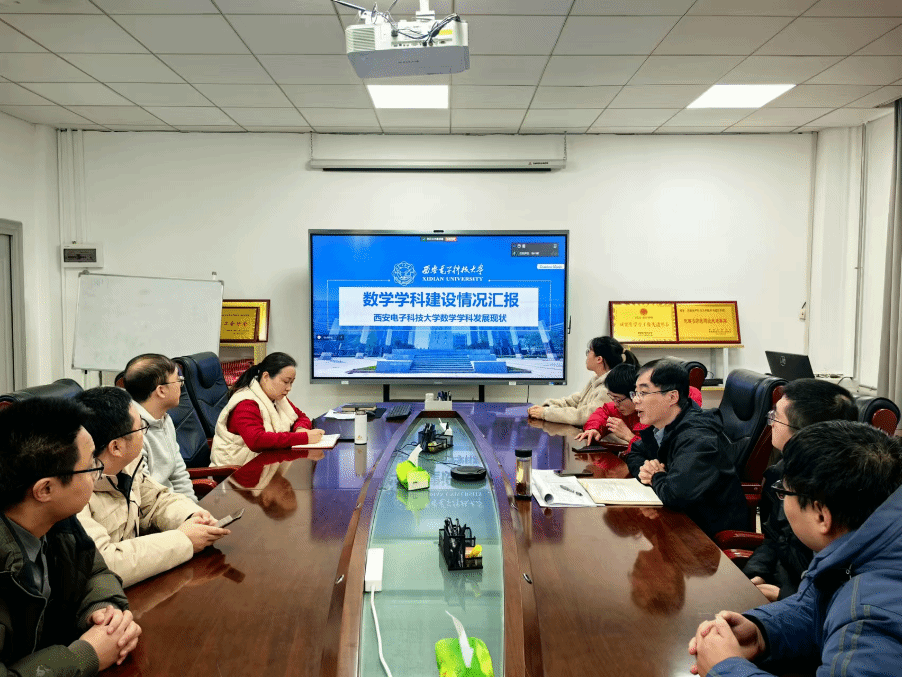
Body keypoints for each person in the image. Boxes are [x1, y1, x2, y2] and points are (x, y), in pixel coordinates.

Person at [688, 421, 902, 677]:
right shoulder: (866, 545)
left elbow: (854, 616)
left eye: (783, 491)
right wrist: (762, 631)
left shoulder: (871, 618)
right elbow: (819, 607)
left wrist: (725, 669)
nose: (781, 500)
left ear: (821, 516)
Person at [0, 398, 141, 674]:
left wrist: (103, 610)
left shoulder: (55, 519)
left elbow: (93, 571)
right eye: (91, 466)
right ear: (45, 490)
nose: (99, 473)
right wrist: (85, 656)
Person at [75, 387, 230, 588]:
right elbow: (106, 563)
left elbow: (156, 501)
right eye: (140, 428)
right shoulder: (74, 492)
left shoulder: (127, 465)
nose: (144, 434)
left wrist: (190, 516)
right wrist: (183, 540)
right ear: (116, 447)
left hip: (136, 583)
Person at [742, 379, 858, 601]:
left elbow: (844, 588)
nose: (770, 424)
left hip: (809, 603)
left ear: (804, 434)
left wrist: (782, 595)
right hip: (784, 591)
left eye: (776, 417)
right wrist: (756, 574)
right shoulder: (781, 471)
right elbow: (773, 537)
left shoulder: (843, 489)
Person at [624, 360, 746, 538]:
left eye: (643, 393)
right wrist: (647, 471)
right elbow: (635, 452)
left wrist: (655, 476)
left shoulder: (698, 437)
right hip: (680, 522)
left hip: (706, 536)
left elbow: (675, 495)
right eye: (635, 393)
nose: (635, 400)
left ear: (672, 397)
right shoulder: (665, 427)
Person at [210, 352, 324, 467]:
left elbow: (301, 417)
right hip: (235, 472)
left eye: (291, 383)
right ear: (265, 377)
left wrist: (300, 429)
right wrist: (303, 438)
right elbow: (257, 441)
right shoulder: (246, 403)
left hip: (264, 466)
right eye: (285, 382)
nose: (289, 388)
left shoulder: (278, 398)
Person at [577, 362, 703, 452]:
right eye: (612, 398)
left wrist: (628, 436)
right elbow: (602, 413)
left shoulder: (659, 415)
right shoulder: (620, 408)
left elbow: (658, 452)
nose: (616, 404)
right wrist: (594, 429)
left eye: (642, 393)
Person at [122, 353, 197, 502]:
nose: (181, 385)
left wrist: (193, 507)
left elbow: (178, 473)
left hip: (174, 505)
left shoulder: (164, 419)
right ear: (161, 390)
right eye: (178, 380)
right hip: (153, 510)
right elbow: (145, 495)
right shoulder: (132, 431)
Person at [527, 336, 638, 426]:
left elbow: (584, 416)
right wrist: (548, 405)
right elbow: (575, 400)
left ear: (599, 359)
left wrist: (546, 413)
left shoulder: (609, 388)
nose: (587, 356)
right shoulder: (596, 380)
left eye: (589, 351)